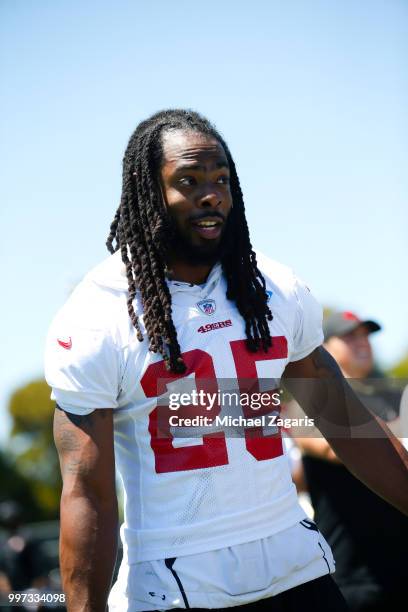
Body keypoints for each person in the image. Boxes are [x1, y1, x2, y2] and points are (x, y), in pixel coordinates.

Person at [44, 109, 408, 612]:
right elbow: (87, 490)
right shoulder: (98, 314)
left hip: (295, 570)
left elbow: (344, 422)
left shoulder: (274, 289)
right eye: (188, 181)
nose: (211, 193)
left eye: (221, 179)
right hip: (177, 587)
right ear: (148, 192)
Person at [292, 311, 408, 611]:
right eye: (349, 335)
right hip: (352, 577)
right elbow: (334, 447)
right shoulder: (304, 404)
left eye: (365, 335)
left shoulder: (393, 399)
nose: (362, 342)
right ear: (324, 348)